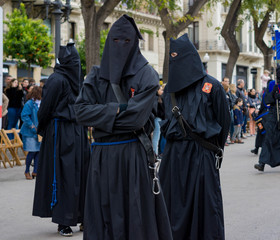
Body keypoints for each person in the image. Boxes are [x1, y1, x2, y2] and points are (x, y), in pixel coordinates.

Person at [74, 15, 172, 240]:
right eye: (115, 40)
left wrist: (100, 115)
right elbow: (80, 112)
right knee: (101, 213)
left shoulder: (146, 74)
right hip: (100, 157)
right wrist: (116, 109)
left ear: (135, 43)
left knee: (134, 214)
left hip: (131, 157)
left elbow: (135, 120)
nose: (120, 46)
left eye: (126, 41)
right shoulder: (96, 75)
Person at [159, 33, 230, 240]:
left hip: (202, 154)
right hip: (173, 157)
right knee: (172, 207)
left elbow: (224, 122)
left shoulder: (212, 86)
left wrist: (214, 149)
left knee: (206, 206)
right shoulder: (169, 92)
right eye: (172, 56)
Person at [32, 43, 90, 237]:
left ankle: (67, 220)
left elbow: (46, 108)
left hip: (62, 132)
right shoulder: (78, 80)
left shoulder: (56, 79)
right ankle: (78, 218)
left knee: (66, 174)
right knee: (76, 173)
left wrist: (42, 128)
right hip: (76, 131)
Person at [20, 86, 42, 180]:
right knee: (32, 152)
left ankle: (35, 171)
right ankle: (26, 171)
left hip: (39, 132)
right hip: (29, 132)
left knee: (38, 152)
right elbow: (24, 116)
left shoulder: (41, 103)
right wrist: (32, 126)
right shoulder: (29, 103)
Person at [153, 84, 165, 156]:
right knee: (156, 137)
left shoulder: (160, 98)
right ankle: (155, 154)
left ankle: (156, 153)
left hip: (159, 119)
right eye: (161, 90)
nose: (162, 91)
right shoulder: (156, 99)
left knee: (158, 137)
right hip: (158, 119)